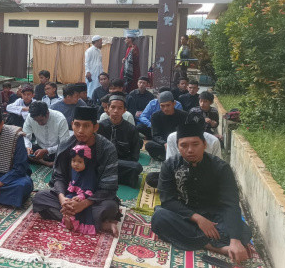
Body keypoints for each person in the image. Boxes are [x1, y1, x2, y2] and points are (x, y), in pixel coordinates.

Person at [151, 118, 252, 265]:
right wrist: (198, 219)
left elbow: (230, 203)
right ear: (178, 147)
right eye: (184, 145)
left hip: (215, 217)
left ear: (204, 144)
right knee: (159, 217)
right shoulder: (170, 165)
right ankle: (218, 248)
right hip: (184, 215)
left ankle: (218, 243)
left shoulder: (221, 168)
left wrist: (235, 240)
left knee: (243, 232)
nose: (190, 150)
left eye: (195, 144)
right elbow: (167, 200)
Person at [33, 106, 122, 236]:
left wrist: (84, 203)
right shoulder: (65, 145)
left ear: (95, 127)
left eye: (86, 126)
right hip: (68, 194)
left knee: (110, 207)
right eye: (77, 125)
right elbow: (58, 177)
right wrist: (63, 199)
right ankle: (99, 224)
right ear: (72, 125)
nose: (81, 130)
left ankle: (71, 217)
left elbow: (108, 187)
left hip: (94, 198)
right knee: (39, 198)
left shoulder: (107, 149)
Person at [97, 93, 143, 188]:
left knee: (136, 167)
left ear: (124, 110)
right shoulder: (100, 126)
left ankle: (108, 177)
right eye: (113, 107)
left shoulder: (131, 129)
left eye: (119, 108)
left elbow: (135, 155)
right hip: (104, 162)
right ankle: (121, 178)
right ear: (108, 108)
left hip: (123, 163)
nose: (115, 111)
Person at [62, 144, 99, 234]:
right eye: (73, 161)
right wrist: (66, 199)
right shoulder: (74, 170)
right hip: (74, 195)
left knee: (85, 209)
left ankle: (74, 222)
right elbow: (72, 186)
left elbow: (90, 191)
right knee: (68, 202)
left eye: (80, 162)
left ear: (86, 162)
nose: (75, 164)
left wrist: (81, 197)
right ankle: (68, 219)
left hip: (85, 199)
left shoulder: (90, 174)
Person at [23, 102, 69, 167]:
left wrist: (47, 151)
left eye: (41, 120)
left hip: (57, 150)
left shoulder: (60, 119)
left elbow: (64, 144)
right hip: (40, 148)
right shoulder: (30, 117)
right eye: (36, 121)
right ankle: (48, 163)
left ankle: (44, 162)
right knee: (21, 151)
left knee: (68, 156)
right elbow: (25, 136)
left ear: (47, 114)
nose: (39, 123)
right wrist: (28, 147)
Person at [145, 91, 188, 161]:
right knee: (149, 145)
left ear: (174, 104)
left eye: (168, 105)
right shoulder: (155, 116)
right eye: (162, 106)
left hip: (179, 143)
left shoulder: (183, 115)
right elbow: (155, 135)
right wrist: (164, 143)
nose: (165, 108)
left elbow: (186, 132)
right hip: (164, 144)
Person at [85, 35, 104, 99]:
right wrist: (87, 72)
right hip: (92, 73)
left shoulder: (99, 51)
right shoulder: (89, 50)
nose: (101, 43)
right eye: (101, 41)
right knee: (91, 87)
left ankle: (96, 99)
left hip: (99, 72)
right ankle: (90, 99)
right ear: (97, 41)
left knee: (98, 85)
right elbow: (86, 62)